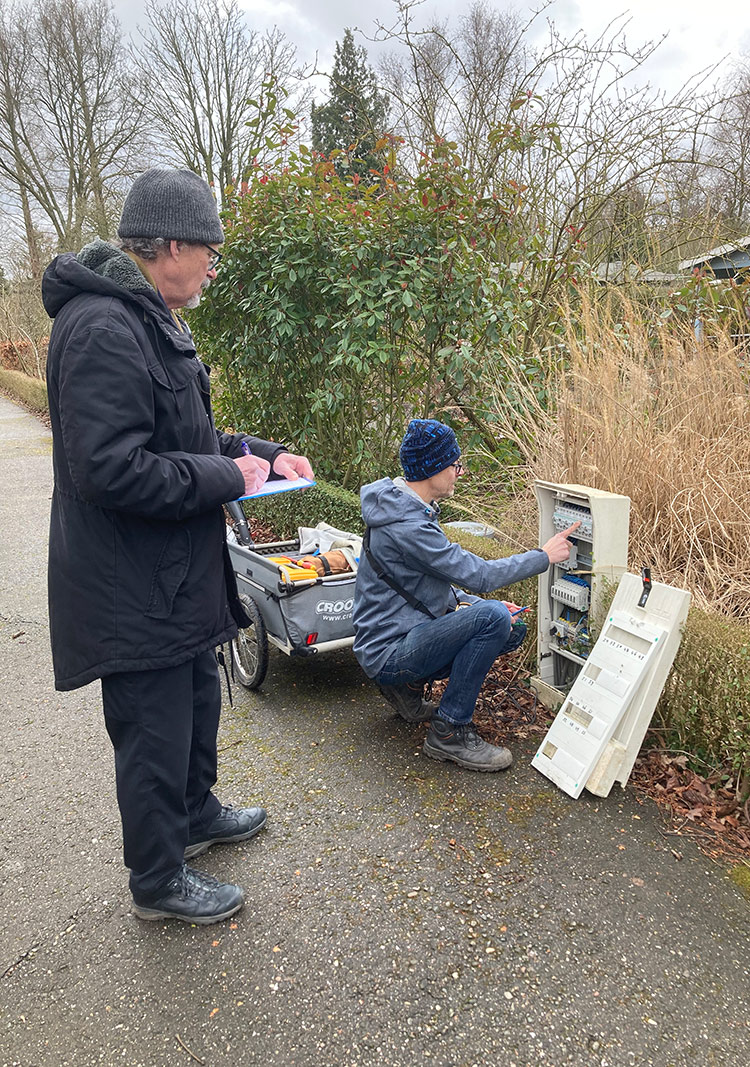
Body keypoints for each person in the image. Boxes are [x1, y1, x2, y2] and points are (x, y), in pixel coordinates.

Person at [42, 168, 313, 924]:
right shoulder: (103, 326)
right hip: (133, 585)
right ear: (169, 247)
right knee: (154, 731)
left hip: (175, 577)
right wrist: (225, 474)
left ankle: (197, 815)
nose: (214, 266)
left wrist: (262, 452)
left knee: (195, 703)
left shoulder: (152, 317)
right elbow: (108, 469)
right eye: (209, 250)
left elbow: (185, 437)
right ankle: (157, 880)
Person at [353, 418, 578, 772]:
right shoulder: (409, 525)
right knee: (493, 618)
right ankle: (450, 730)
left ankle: (407, 689)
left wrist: (471, 605)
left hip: (397, 635)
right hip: (389, 651)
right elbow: (481, 575)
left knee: (509, 626)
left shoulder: (404, 507)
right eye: (455, 464)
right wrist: (543, 556)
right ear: (433, 469)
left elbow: (426, 584)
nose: (460, 472)